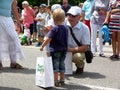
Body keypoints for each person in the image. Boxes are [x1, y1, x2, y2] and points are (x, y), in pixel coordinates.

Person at [40, 8, 68, 86]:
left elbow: (48, 39)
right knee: (62, 65)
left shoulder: (54, 29)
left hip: (55, 50)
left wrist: (42, 46)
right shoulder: (66, 29)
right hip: (63, 50)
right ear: (63, 19)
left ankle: (55, 80)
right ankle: (62, 80)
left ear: (53, 18)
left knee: (55, 66)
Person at [0, 0, 24, 70]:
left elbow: (14, 9)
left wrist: (18, 21)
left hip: (8, 18)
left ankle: (13, 62)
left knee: (13, 38)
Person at [66, 6, 90, 74]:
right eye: (69, 15)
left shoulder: (85, 28)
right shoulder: (62, 23)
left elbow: (85, 47)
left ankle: (80, 66)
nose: (70, 17)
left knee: (78, 57)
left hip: (77, 50)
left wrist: (71, 50)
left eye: (73, 16)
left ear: (79, 17)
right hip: (63, 49)